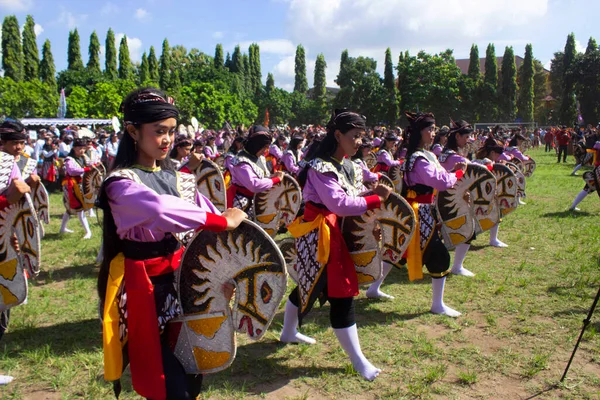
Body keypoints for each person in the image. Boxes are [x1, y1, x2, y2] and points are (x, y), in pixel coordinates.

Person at [96, 87, 246, 400]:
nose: (167, 140)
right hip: (145, 291)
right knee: (167, 384)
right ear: (133, 131)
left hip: (183, 285)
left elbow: (205, 219)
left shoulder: (181, 178)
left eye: (172, 132)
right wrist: (221, 221)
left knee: (194, 373)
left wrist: (218, 277)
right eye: (159, 131)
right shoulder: (121, 182)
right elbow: (161, 211)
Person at [282, 109, 390, 381]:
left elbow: (350, 197)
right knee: (339, 294)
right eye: (354, 137)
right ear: (338, 135)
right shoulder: (320, 166)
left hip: (334, 232)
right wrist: (375, 200)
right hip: (320, 234)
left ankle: (287, 332)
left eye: (361, 138)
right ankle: (359, 360)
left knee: (311, 284)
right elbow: (338, 204)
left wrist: (368, 198)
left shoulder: (350, 164)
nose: (359, 143)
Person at [401, 111, 466, 317]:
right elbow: (439, 182)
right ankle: (437, 305)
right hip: (420, 212)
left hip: (424, 211)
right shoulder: (419, 158)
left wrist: (451, 172)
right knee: (439, 256)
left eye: (434, 129)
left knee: (399, 252)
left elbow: (439, 176)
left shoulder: (423, 155)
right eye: (429, 129)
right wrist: (457, 174)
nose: (433, 133)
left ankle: (375, 288)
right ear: (419, 132)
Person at [438, 120, 478, 277]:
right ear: (458, 136)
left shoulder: (442, 153)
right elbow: (474, 168)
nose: (468, 140)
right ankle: (457, 266)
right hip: (451, 200)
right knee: (469, 230)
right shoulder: (456, 158)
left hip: (441, 198)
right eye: (466, 136)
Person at [227, 126, 284, 213]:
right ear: (256, 144)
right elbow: (254, 185)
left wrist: (272, 176)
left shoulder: (260, 157)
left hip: (256, 197)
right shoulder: (242, 162)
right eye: (264, 147)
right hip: (241, 200)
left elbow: (264, 176)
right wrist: (276, 179)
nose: (266, 150)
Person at [474, 137, 509, 247]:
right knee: (497, 211)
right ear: (493, 152)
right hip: (482, 194)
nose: (499, 158)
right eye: (498, 155)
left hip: (475, 193)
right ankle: (493, 239)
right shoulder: (487, 162)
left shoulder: (476, 160)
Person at [60, 138, 95, 239]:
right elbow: (72, 171)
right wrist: (86, 169)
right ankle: (88, 232)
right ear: (74, 148)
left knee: (69, 209)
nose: (82, 150)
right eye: (80, 148)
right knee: (79, 208)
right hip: (71, 185)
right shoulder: (69, 159)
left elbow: (91, 163)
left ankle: (62, 229)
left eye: (83, 148)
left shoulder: (83, 157)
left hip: (80, 184)